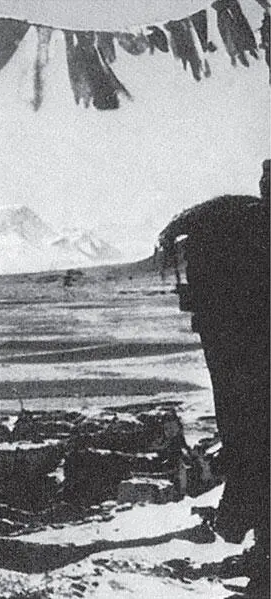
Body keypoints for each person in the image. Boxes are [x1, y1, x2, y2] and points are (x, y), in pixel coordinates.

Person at [159, 159, 269, 595]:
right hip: (242, 356)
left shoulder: (240, 223)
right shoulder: (243, 221)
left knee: (251, 447)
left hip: (242, 357)